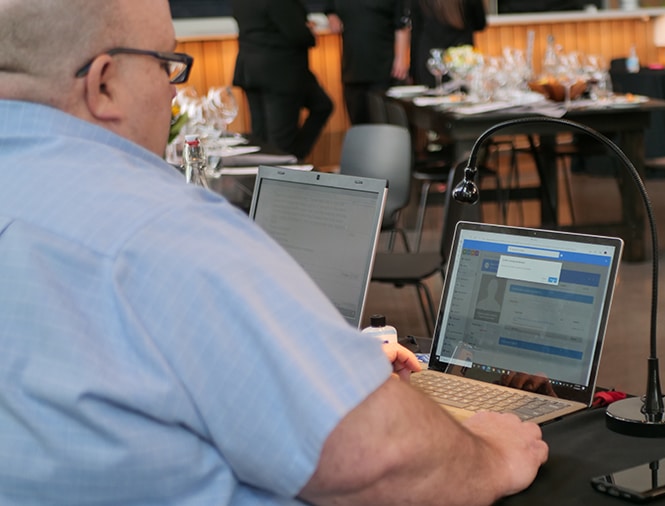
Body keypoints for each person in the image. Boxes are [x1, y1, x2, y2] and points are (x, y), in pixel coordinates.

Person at [0, 1, 548, 504]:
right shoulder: (162, 230)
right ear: (104, 85)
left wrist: (317, 356)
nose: (173, 92)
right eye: (167, 65)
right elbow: (379, 458)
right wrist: (488, 451)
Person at [231, 0, 333, 160]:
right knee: (281, 143)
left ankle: (283, 164)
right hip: (281, 73)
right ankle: (291, 161)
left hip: (250, 70)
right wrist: (309, 31)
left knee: (261, 137)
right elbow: (298, 34)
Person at [324, 0, 411, 124]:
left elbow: (402, 26)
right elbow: (329, 8)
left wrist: (401, 59)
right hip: (352, 72)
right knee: (358, 126)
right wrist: (331, 16)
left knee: (385, 125)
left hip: (383, 71)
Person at [409, 0, 487, 86]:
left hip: (431, 59)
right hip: (461, 59)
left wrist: (412, 71)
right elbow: (480, 23)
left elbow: (416, 31)